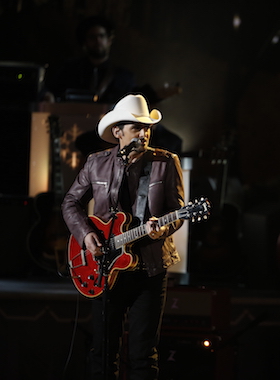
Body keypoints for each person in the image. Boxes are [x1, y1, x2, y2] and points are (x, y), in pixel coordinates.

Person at [61, 93, 185, 379]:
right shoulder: (96, 163)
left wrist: (162, 227)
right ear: (117, 131)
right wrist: (87, 235)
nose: (143, 134)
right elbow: (70, 203)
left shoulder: (165, 163)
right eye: (136, 127)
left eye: (147, 128)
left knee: (143, 355)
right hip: (106, 268)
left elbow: (177, 211)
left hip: (149, 269)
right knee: (103, 354)